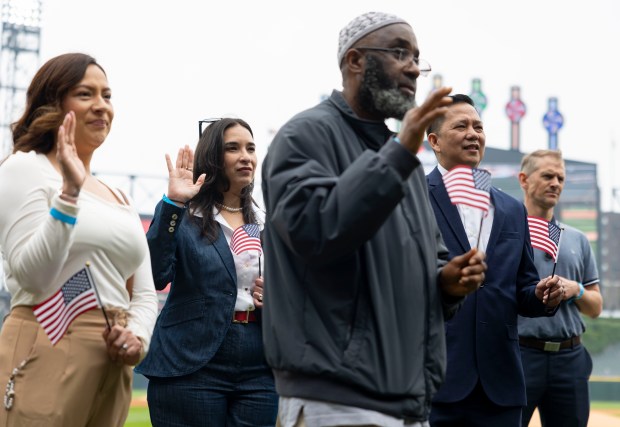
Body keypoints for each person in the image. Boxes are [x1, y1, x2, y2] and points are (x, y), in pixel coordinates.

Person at [261, 11, 488, 427]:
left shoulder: (404, 163)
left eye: (418, 57)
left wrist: (448, 282)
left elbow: (427, 266)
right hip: (335, 398)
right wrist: (400, 151)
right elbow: (316, 232)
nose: (414, 68)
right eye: (400, 52)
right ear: (355, 61)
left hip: (408, 401)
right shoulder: (305, 136)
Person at [0, 52, 158, 427]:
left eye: (107, 95)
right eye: (86, 94)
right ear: (54, 104)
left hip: (114, 360)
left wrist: (137, 338)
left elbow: (144, 293)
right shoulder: (25, 168)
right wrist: (69, 195)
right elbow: (32, 278)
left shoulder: (119, 197)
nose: (102, 106)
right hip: (47, 340)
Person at [425, 94, 564, 426]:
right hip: (434, 381)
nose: (473, 134)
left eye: (479, 126)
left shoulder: (511, 208)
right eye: (461, 126)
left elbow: (522, 288)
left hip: (500, 386)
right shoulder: (411, 196)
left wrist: (542, 295)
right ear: (434, 142)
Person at [135, 118, 278, 426]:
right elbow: (155, 274)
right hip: (192, 361)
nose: (245, 156)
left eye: (251, 148)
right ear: (213, 157)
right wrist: (173, 203)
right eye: (233, 148)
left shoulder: (267, 224)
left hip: (260, 363)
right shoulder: (184, 216)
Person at [517, 149, 602, 427]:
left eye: (560, 178)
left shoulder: (577, 239)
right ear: (524, 179)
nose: (556, 183)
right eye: (547, 175)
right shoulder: (506, 233)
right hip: (521, 354)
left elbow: (595, 307)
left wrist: (575, 289)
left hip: (569, 358)